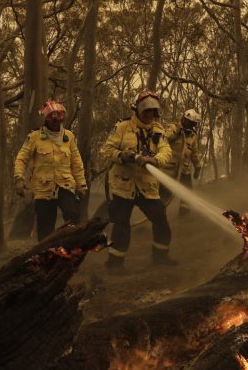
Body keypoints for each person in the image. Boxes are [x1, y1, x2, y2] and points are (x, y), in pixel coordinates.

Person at [101, 90, 174, 269]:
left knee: (161, 222)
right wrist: (122, 155)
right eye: (146, 111)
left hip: (147, 187)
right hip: (123, 185)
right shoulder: (122, 127)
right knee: (121, 226)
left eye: (152, 111)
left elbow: (167, 152)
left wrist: (154, 160)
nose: (149, 115)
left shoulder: (158, 131)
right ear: (137, 110)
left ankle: (160, 258)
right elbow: (106, 150)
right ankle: (115, 264)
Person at [14, 99, 87, 241]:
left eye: (59, 118)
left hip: (65, 185)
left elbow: (76, 162)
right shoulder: (34, 137)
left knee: (73, 215)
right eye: (52, 119)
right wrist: (19, 179)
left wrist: (81, 184)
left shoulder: (69, 137)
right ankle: (47, 256)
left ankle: (71, 249)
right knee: (45, 228)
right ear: (46, 119)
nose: (56, 122)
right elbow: (21, 158)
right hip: (43, 189)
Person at [161, 108, 203, 215]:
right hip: (170, 169)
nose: (191, 126)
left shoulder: (192, 136)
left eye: (193, 124)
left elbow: (194, 154)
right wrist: (178, 132)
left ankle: (184, 217)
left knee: (187, 193)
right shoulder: (172, 128)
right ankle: (160, 216)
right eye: (190, 123)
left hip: (184, 170)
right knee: (165, 193)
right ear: (184, 120)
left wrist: (197, 168)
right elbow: (165, 140)